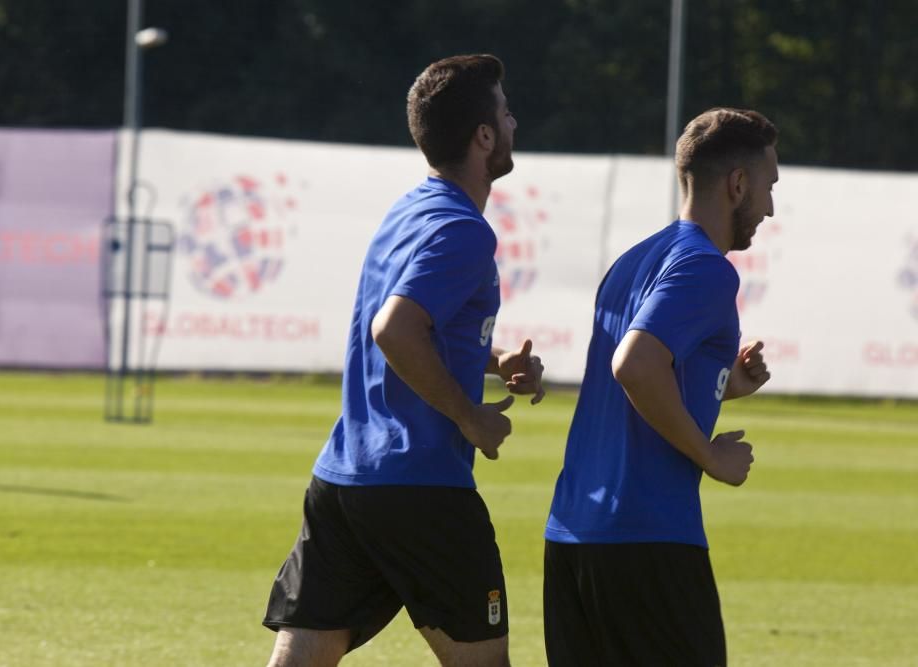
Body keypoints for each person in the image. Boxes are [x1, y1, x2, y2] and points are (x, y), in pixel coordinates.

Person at [263, 54, 545, 667]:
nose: (514, 120)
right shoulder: (465, 230)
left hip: (344, 477)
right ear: (484, 136)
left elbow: (414, 325)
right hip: (420, 483)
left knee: (308, 649)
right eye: (504, 111)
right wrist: (469, 415)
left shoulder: (410, 209)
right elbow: (394, 328)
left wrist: (496, 360)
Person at [543, 107, 779, 666]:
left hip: (574, 536)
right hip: (647, 540)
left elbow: (634, 383)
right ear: (737, 183)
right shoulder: (706, 268)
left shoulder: (631, 262)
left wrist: (720, 382)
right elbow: (635, 367)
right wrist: (710, 457)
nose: (768, 207)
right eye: (768, 187)